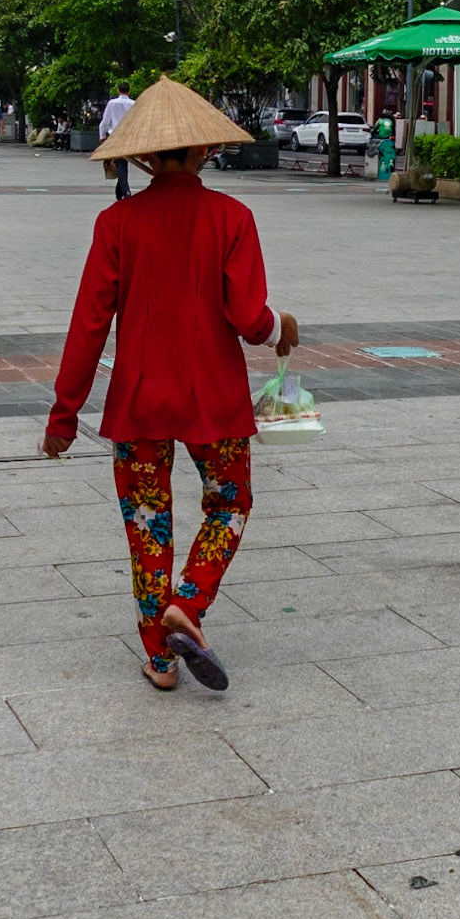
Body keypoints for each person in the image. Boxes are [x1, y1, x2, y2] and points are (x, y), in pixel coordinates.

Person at [41, 75, 290, 693]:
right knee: (230, 504)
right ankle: (192, 598)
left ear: (145, 157)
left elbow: (89, 324)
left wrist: (63, 414)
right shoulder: (233, 217)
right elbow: (247, 315)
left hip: (139, 403)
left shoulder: (117, 223)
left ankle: (159, 654)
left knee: (147, 522)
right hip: (217, 400)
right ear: (206, 150)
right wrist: (281, 326)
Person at [99, 81, 135, 200]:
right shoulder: (133, 104)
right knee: (123, 162)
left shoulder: (112, 103)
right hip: (128, 135)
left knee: (120, 162)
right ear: (129, 91)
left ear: (118, 90)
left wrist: (102, 136)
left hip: (115, 135)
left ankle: (125, 190)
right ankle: (121, 190)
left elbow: (105, 121)